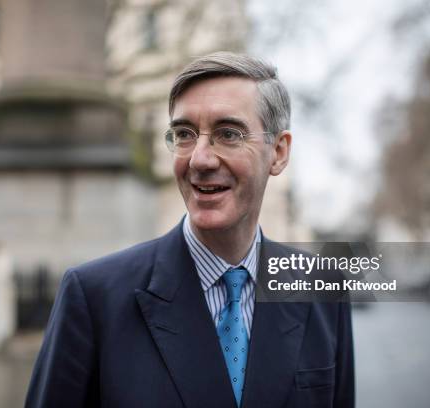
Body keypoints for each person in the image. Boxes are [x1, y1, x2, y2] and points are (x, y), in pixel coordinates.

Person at [25, 52, 355, 408]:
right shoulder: (94, 298)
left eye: (228, 134)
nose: (200, 159)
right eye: (184, 134)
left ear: (278, 151)